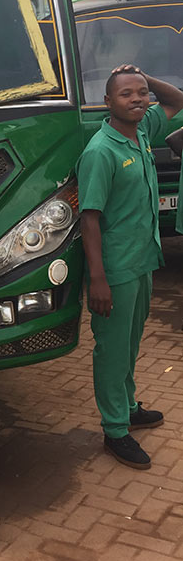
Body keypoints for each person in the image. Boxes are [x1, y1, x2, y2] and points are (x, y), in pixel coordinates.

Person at [76, 64, 183, 469]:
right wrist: (98, 280)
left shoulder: (141, 132)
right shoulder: (101, 151)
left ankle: (128, 406)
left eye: (142, 93)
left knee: (131, 343)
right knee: (112, 350)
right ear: (107, 103)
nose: (138, 99)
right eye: (127, 94)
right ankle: (115, 430)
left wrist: (143, 74)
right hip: (115, 271)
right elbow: (89, 219)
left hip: (142, 261)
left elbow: (177, 100)